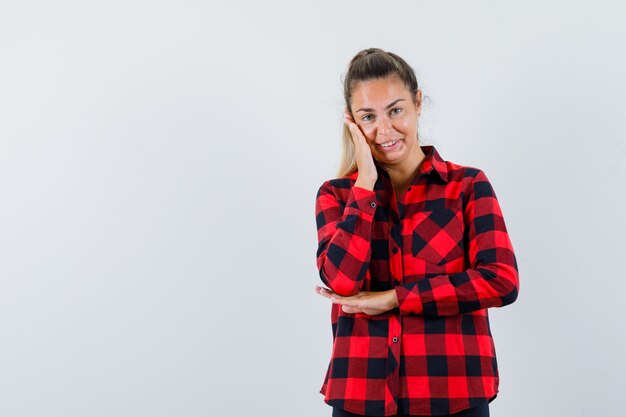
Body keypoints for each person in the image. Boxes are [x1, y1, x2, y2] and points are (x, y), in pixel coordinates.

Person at [313, 48, 520, 417]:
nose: (385, 130)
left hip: (453, 395)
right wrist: (365, 186)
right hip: (362, 397)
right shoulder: (338, 195)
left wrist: (396, 297)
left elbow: (501, 281)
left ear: (418, 103)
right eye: (368, 117)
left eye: (395, 110)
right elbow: (342, 283)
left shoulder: (467, 186)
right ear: (352, 123)